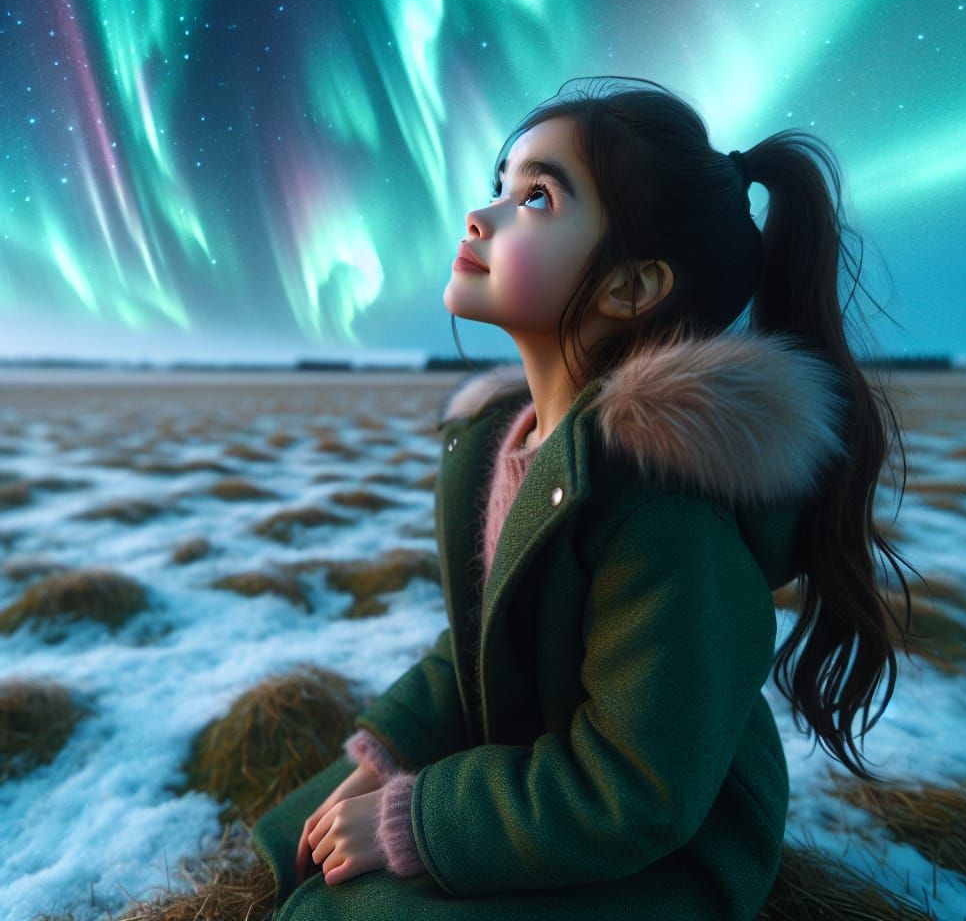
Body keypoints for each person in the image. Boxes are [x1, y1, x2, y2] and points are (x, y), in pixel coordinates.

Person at [251, 75, 914, 920]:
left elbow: (639, 784)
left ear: (630, 288)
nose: (481, 216)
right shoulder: (509, 441)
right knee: (290, 848)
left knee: (345, 912)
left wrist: (413, 819)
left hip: (663, 849)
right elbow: (477, 654)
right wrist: (385, 762)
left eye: (535, 197)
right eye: (500, 185)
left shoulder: (663, 499)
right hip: (547, 788)